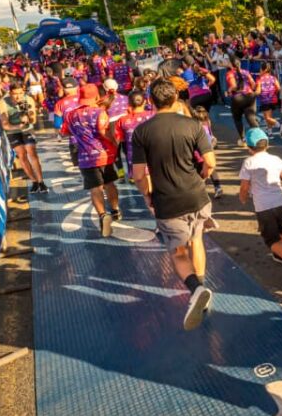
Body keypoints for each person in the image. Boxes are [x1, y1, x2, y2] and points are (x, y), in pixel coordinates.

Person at [132, 79, 216, 331]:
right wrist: (202, 178)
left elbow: (138, 174)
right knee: (197, 240)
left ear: (151, 101)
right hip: (197, 196)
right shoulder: (193, 124)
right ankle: (201, 285)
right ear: (175, 99)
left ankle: (196, 289)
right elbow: (210, 162)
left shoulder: (142, 131)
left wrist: (147, 195)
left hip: (167, 200)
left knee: (179, 252)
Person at [239, 127, 282, 286]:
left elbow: (244, 186)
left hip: (264, 205)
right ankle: (281, 255)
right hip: (280, 201)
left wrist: (242, 197)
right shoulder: (276, 159)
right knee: (280, 228)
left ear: (249, 147)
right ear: (267, 144)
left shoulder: (248, 162)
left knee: (270, 238)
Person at [63, 83, 120, 237]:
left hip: (85, 157)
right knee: (109, 183)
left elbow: (65, 132)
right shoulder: (100, 112)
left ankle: (102, 215)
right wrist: (115, 143)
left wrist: (81, 133)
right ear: (97, 97)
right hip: (104, 155)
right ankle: (115, 210)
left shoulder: (70, 115)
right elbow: (103, 131)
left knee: (95, 188)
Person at [0, 81, 47, 194]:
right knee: (22, 155)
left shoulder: (28, 99)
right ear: (10, 93)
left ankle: (41, 181)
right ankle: (34, 181)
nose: (18, 96)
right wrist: (18, 125)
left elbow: (33, 120)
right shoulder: (3, 103)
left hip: (27, 129)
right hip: (13, 131)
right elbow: (5, 125)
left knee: (31, 151)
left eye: (20, 93)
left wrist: (29, 117)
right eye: (15, 94)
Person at [190, 106, 225, 200]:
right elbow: (211, 135)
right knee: (212, 169)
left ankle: (199, 190)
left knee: (198, 170)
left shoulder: (196, 127)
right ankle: (218, 187)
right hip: (209, 149)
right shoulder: (207, 122)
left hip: (198, 151)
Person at [224, 55, 260, 145]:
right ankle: (259, 138)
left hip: (238, 98)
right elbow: (253, 85)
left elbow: (233, 86)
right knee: (251, 118)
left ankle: (243, 139)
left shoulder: (230, 73)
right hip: (250, 96)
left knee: (237, 118)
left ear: (231, 64)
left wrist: (228, 91)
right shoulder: (246, 72)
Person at [255, 62, 282, 132]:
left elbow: (258, 91)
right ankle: (270, 131)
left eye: (260, 69)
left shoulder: (259, 79)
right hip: (273, 99)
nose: (259, 71)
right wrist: (274, 93)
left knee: (267, 117)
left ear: (263, 70)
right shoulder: (273, 78)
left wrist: (252, 94)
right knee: (268, 116)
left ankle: (279, 125)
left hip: (265, 101)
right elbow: (278, 88)